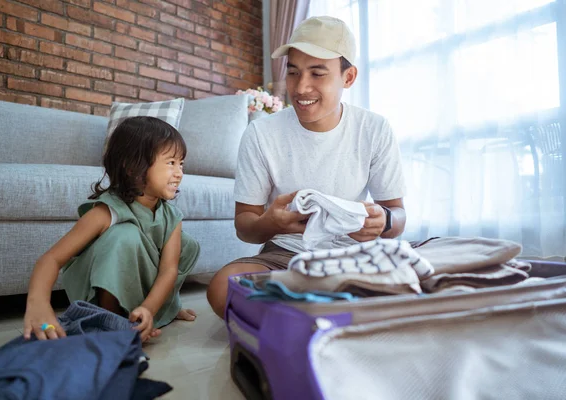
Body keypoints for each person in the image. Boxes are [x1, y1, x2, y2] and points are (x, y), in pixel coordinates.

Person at [207, 16, 407, 318]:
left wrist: (385, 221)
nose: (301, 87)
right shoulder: (262, 134)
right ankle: (335, 310)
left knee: (426, 273)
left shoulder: (374, 129)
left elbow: (398, 216)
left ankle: (307, 313)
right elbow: (245, 227)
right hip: (286, 256)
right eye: (293, 72)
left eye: (317, 73)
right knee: (223, 288)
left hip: (354, 255)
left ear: (348, 77)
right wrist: (272, 223)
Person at [23, 116, 200, 342]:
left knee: (187, 245)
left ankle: (147, 314)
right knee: (124, 235)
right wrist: (38, 303)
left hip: (141, 296)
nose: (179, 173)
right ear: (133, 167)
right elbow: (51, 259)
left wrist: (150, 309)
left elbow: (169, 271)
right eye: (170, 163)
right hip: (97, 293)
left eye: (181, 163)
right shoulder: (107, 212)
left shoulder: (171, 216)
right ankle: (109, 319)